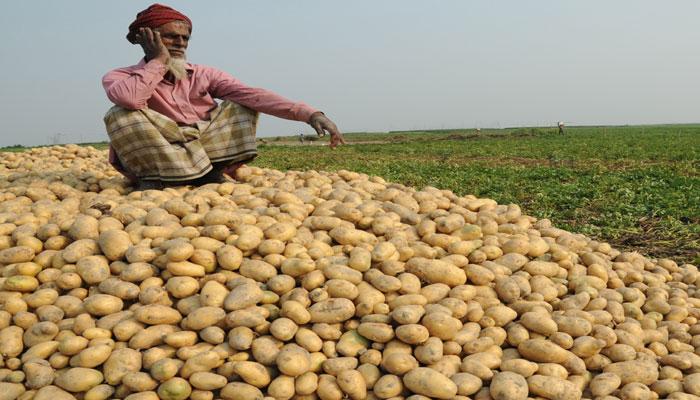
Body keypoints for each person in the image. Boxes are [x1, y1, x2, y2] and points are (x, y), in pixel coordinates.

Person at [102, 4, 344, 190]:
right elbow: (131, 100)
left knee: (243, 104)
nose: (180, 43)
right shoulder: (120, 76)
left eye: (185, 38)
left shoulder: (205, 74)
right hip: (163, 148)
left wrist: (310, 114)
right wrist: (157, 61)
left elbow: (253, 95)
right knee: (119, 113)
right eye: (170, 37)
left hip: (205, 145)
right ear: (148, 39)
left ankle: (208, 174)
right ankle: (158, 178)